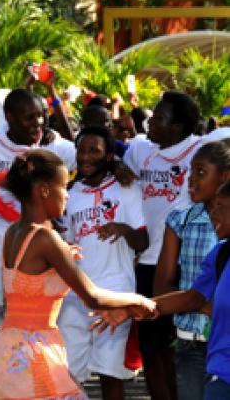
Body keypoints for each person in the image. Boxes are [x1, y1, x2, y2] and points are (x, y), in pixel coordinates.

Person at [0, 149, 156, 400]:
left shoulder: (14, 232)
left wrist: (62, 256)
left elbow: (32, 281)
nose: (67, 196)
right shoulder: (45, 238)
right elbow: (92, 297)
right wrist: (138, 300)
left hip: (6, 353)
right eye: (63, 187)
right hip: (32, 357)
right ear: (44, 190)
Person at [92, 179, 230, 400]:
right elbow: (192, 298)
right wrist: (131, 310)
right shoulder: (221, 255)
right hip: (221, 376)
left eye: (221, 206)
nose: (213, 213)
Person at [0, 88, 76, 345]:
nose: (37, 123)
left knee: (32, 339)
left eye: (40, 116)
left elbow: (88, 154)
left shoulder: (52, 147)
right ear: (8, 117)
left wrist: (119, 168)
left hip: (37, 260)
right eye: (29, 118)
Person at [58, 126, 148, 400]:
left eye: (94, 150)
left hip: (115, 292)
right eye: (81, 150)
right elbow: (67, 243)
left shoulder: (128, 188)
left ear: (109, 155)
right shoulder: (70, 193)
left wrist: (123, 228)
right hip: (77, 294)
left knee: (110, 373)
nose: (85, 157)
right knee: (68, 374)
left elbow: (143, 242)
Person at [154, 141, 230, 400]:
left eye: (200, 172)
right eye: (190, 172)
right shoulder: (181, 221)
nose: (190, 180)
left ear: (225, 177)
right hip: (193, 339)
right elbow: (165, 288)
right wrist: (204, 305)